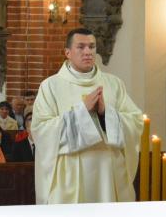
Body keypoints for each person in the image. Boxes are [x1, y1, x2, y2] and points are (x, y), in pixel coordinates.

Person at [32, 28, 143, 204]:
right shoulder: (50, 86)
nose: (88, 52)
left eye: (92, 47)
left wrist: (105, 113)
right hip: (70, 175)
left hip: (108, 172)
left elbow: (136, 122)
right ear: (67, 52)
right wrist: (81, 112)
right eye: (81, 47)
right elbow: (41, 130)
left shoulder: (114, 83)